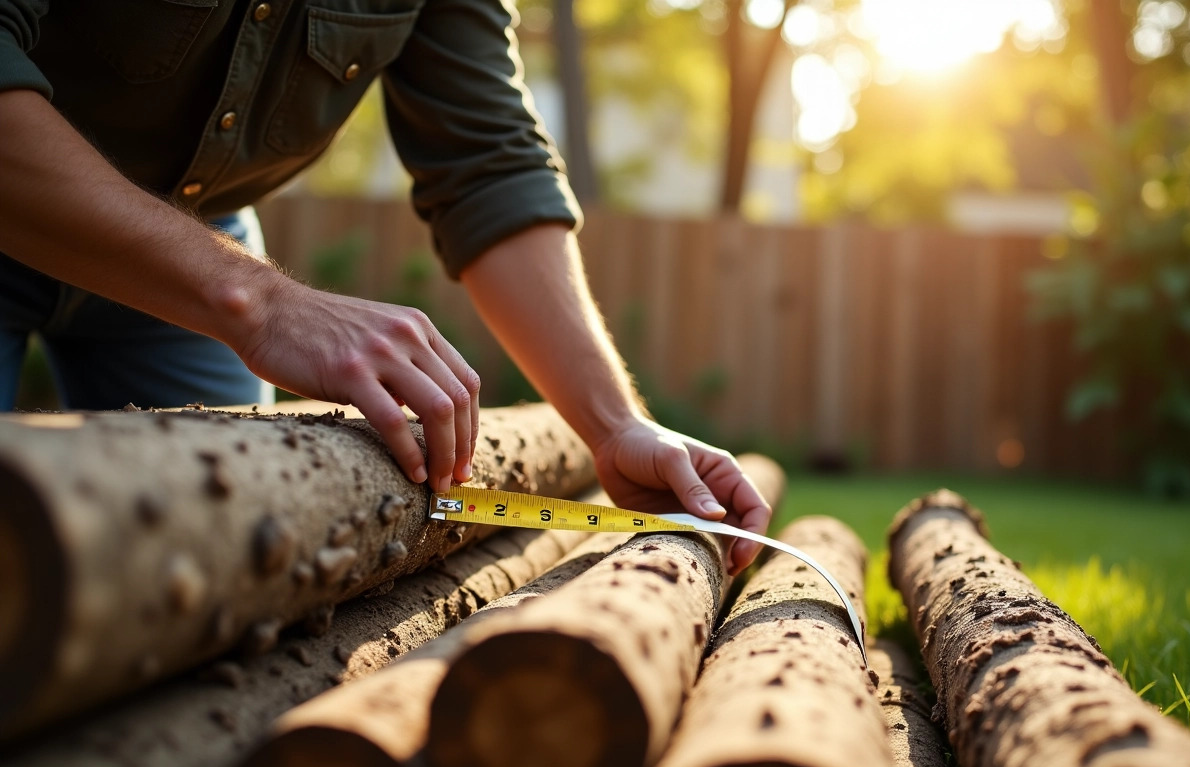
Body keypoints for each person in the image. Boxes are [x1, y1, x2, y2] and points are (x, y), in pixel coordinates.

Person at [0, 0, 770, 572]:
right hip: (159, 257)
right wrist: (261, 304)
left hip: (196, 257)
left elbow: (488, 166)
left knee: (211, 571)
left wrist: (614, 426)